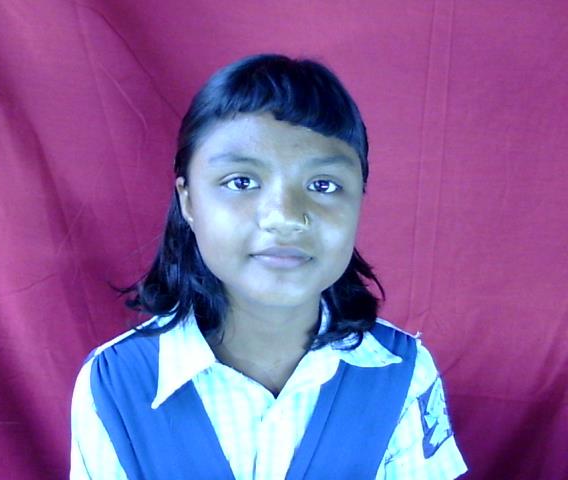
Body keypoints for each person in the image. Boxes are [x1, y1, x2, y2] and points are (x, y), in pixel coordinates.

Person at [70, 53, 468, 479]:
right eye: (241, 182)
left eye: (323, 185)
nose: (285, 216)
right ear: (188, 200)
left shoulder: (402, 374)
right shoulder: (114, 385)